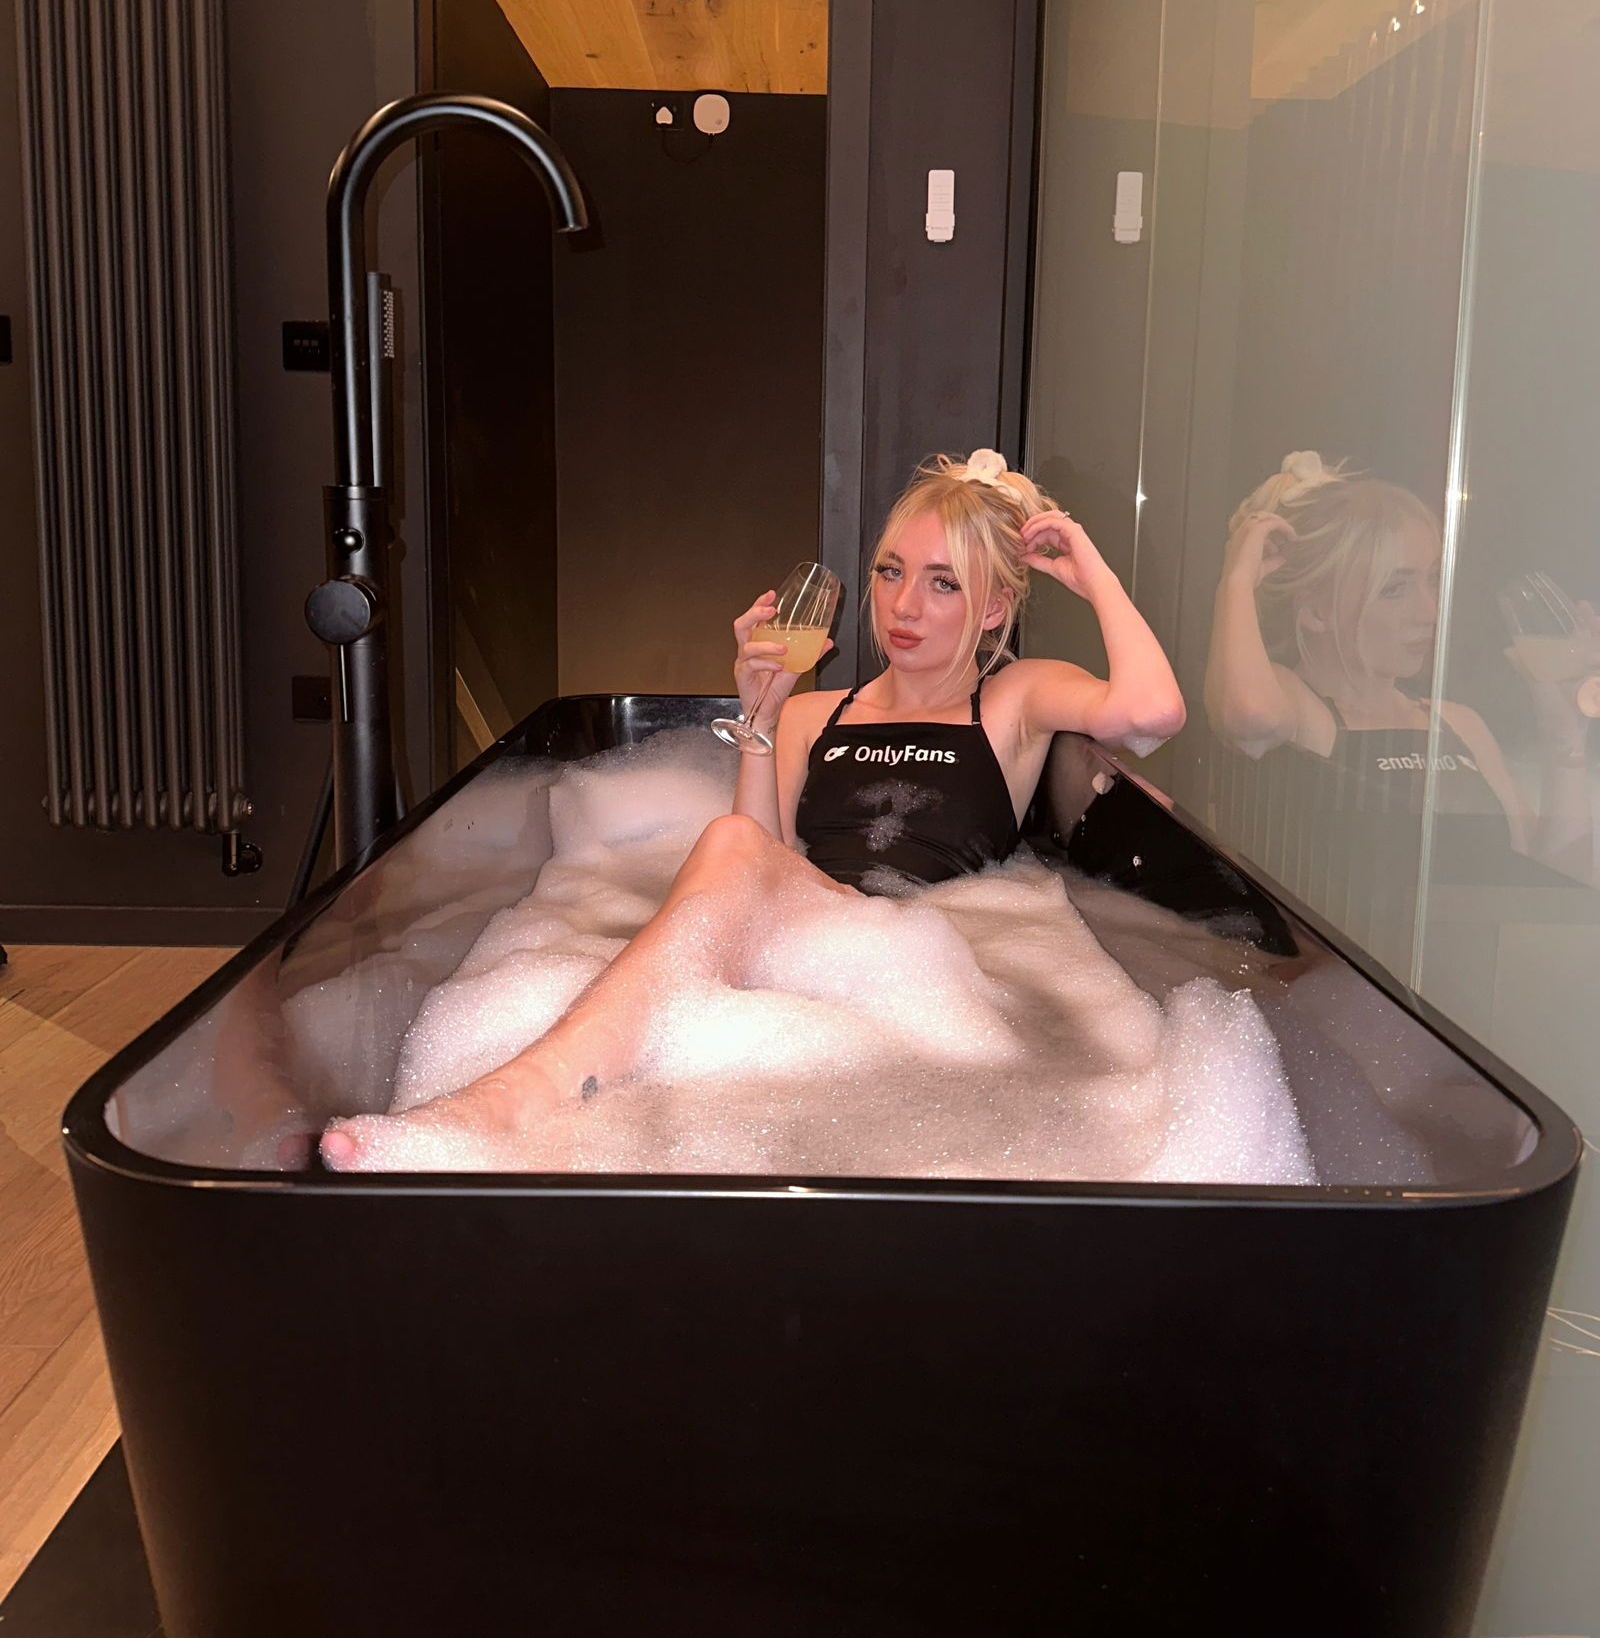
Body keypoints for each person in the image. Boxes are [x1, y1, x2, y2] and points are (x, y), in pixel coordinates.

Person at [321, 449, 1185, 1170]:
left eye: (943, 584)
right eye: (890, 572)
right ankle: (540, 1102)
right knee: (732, 843)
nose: (904, 606)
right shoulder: (816, 712)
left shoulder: (1015, 699)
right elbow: (755, 867)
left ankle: (515, 1100)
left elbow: (1152, 713)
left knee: (730, 844)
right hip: (814, 963)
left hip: (924, 967)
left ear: (994, 605)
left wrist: (1093, 574)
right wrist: (762, 719)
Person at [1204, 451, 1593, 873]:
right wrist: (1236, 582)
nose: (1430, 611)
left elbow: (1550, 875)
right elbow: (1249, 718)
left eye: (1432, 580)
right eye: (1395, 589)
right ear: (1316, 611)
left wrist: (1563, 735)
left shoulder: (1460, 724)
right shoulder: (1297, 706)